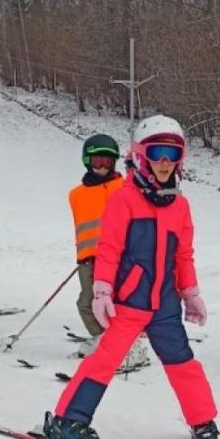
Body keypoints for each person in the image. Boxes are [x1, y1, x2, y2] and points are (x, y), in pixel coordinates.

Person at [44, 115, 220, 439]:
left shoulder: (181, 206)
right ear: (141, 155)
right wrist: (102, 291)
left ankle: (202, 421)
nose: (165, 162)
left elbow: (183, 255)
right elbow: (108, 248)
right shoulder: (124, 199)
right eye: (157, 153)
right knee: (104, 361)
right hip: (129, 302)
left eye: (173, 154)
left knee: (182, 362)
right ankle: (69, 420)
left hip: (165, 306)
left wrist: (191, 293)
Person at [70, 133, 126, 330]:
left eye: (107, 161)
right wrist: (83, 257)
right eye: (97, 161)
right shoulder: (76, 194)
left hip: (119, 258)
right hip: (89, 261)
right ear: (87, 161)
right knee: (86, 304)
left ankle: (126, 344)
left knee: (118, 303)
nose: (102, 166)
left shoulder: (125, 188)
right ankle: (103, 339)